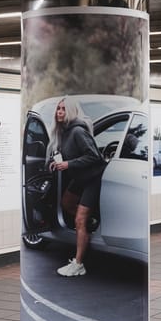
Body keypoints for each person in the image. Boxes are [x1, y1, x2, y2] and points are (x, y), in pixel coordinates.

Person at [47, 96, 106, 277]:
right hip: (80, 178)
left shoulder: (78, 131)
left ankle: (79, 264)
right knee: (66, 203)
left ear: (71, 111)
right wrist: (54, 162)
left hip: (92, 179)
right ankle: (90, 222)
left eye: (63, 109)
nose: (59, 112)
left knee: (79, 220)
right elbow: (63, 154)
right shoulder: (63, 132)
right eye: (58, 109)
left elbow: (94, 157)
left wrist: (68, 165)